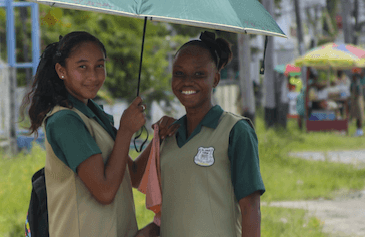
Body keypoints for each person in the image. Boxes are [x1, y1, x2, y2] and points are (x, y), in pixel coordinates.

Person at [138, 31, 265, 237]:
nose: (187, 82)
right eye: (179, 73)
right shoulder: (169, 135)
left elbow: (251, 208)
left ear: (215, 79)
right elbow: (136, 178)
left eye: (199, 74)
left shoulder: (235, 131)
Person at [21, 31, 146, 237]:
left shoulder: (92, 113)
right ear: (62, 71)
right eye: (82, 67)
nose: (93, 76)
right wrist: (125, 130)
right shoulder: (65, 121)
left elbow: (132, 174)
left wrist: (160, 136)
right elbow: (104, 191)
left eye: (99, 66)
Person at [350, 72, 364, 136]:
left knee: (359, 117)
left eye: (353, 76)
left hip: (358, 102)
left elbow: (359, 94)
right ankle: (358, 130)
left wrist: (354, 96)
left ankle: (359, 131)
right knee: (357, 116)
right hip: (355, 102)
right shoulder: (354, 83)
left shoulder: (357, 84)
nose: (352, 77)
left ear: (355, 77)